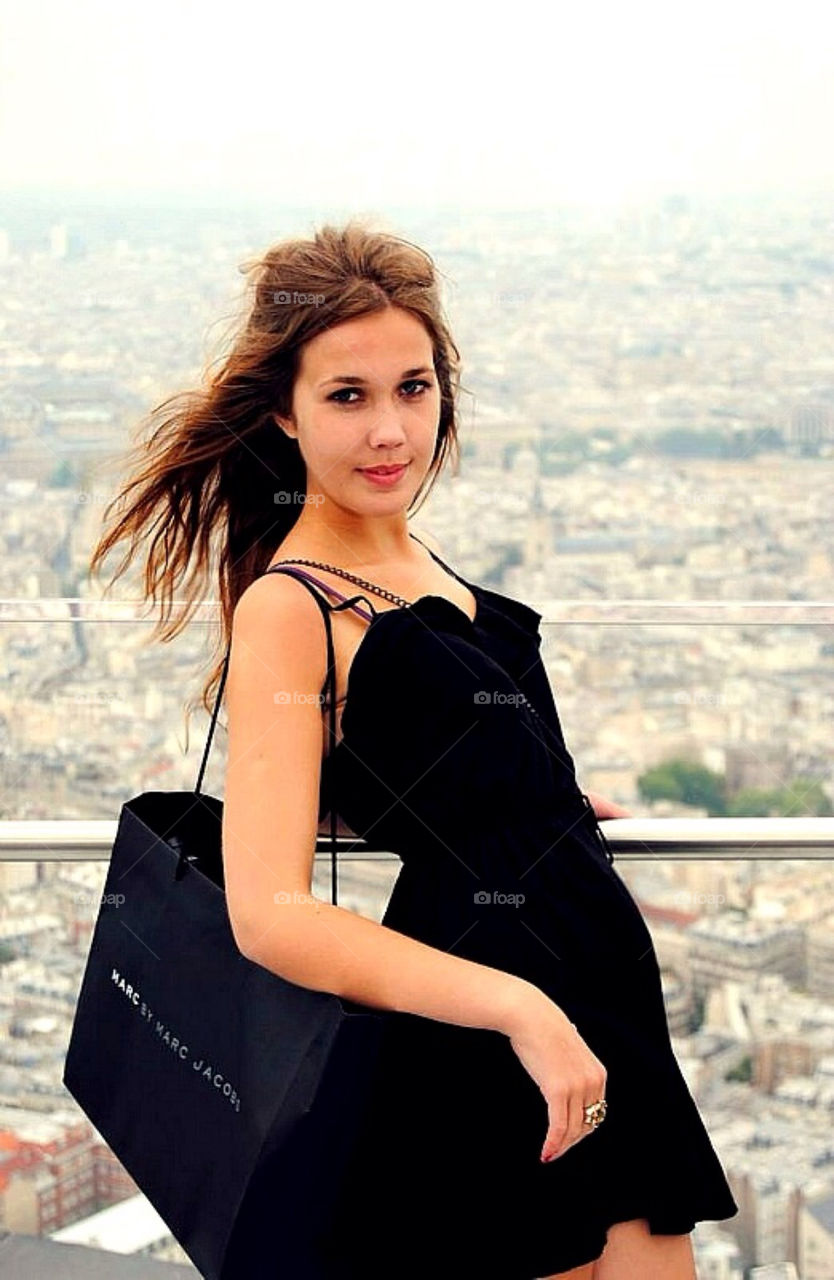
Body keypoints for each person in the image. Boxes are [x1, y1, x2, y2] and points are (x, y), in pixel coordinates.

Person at [90, 220, 738, 1279]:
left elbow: (394, 759)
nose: (391, 428)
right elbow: (269, 912)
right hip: (491, 1030)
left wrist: (539, 800)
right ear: (282, 413)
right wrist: (520, 1006)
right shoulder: (289, 606)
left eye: (415, 387)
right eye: (348, 395)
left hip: (597, 1007)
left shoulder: (414, 557)